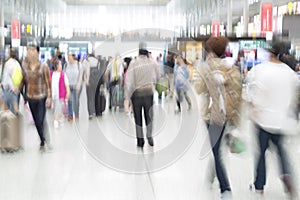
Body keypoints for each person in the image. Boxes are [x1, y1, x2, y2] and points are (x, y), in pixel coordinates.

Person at [246, 41, 299, 199]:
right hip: (282, 121)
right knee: (281, 152)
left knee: (261, 154)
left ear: (269, 52)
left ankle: (259, 185)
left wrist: (252, 110)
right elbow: (295, 96)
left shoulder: (259, 70)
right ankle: (287, 177)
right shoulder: (289, 73)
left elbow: (252, 96)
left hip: (263, 120)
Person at [194, 36, 242, 199]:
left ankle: (225, 188)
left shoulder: (207, 67)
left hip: (212, 116)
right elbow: (238, 94)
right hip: (228, 114)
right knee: (218, 148)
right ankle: (211, 176)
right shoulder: (233, 68)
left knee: (216, 151)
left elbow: (199, 89)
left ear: (211, 51)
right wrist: (236, 119)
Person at [125, 42, 159, 147]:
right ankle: (149, 136)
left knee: (138, 119)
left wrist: (127, 97)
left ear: (138, 52)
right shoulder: (152, 63)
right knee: (149, 117)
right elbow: (158, 76)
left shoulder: (133, 63)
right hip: (149, 93)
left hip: (137, 95)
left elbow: (129, 81)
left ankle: (140, 141)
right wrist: (154, 84)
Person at [21, 43, 52, 151]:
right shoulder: (25, 67)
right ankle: (42, 141)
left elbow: (49, 83)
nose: (30, 52)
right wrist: (20, 93)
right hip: (30, 97)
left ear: (38, 53)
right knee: (36, 121)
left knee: (40, 120)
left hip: (41, 97)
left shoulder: (44, 67)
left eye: (32, 50)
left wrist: (49, 97)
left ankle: (46, 140)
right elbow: (23, 82)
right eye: (28, 50)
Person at [1, 48, 23, 114]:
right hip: (15, 89)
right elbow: (20, 76)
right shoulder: (17, 64)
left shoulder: (7, 63)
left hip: (8, 90)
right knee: (15, 110)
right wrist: (17, 88)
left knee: (6, 111)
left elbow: (5, 78)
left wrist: (3, 86)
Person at [50, 59, 70, 128]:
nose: (61, 66)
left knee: (57, 108)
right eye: (60, 64)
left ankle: (56, 120)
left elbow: (67, 85)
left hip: (60, 95)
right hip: (53, 95)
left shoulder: (63, 75)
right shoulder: (51, 73)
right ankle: (60, 118)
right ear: (56, 66)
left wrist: (68, 92)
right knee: (56, 108)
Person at [64, 53, 83, 121]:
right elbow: (64, 75)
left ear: (73, 57)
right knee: (70, 101)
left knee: (76, 101)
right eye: (68, 56)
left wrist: (79, 84)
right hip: (69, 86)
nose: (69, 58)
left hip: (76, 85)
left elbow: (81, 75)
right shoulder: (66, 65)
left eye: (70, 56)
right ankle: (70, 115)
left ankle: (77, 113)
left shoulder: (78, 64)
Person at [81, 53, 101, 119]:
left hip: (89, 81)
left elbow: (85, 72)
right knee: (95, 96)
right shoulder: (97, 61)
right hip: (96, 81)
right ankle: (95, 111)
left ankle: (90, 113)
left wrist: (86, 81)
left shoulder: (86, 61)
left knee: (89, 97)